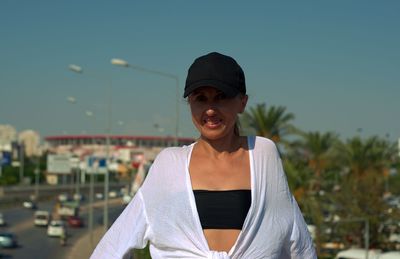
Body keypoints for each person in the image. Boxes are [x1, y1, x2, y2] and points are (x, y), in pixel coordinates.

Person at [91, 52, 317, 259]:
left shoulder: (263, 153)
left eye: (221, 97)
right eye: (201, 99)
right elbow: (113, 246)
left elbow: (296, 240)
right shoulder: (169, 164)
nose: (210, 109)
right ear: (190, 104)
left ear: (242, 102)